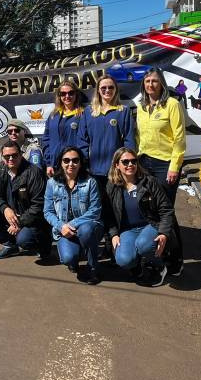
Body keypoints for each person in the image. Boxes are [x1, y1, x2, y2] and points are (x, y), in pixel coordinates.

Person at [136, 67, 185, 276]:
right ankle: (156, 254)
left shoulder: (172, 104)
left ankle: (176, 258)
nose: (151, 85)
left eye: (154, 81)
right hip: (144, 163)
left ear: (162, 83)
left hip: (165, 164)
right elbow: (139, 137)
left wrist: (174, 166)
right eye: (147, 81)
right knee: (149, 210)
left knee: (165, 211)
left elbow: (179, 138)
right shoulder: (141, 107)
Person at [101, 147, 174, 287]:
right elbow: (108, 215)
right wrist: (114, 235)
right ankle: (138, 266)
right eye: (125, 162)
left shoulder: (149, 182)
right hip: (127, 230)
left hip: (151, 225)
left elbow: (166, 209)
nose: (130, 165)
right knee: (123, 259)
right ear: (117, 165)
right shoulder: (112, 186)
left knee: (144, 245)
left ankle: (159, 266)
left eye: (133, 161)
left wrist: (164, 233)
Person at [43, 146, 103, 284]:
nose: (71, 164)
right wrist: (61, 226)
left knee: (86, 231)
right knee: (68, 258)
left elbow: (95, 210)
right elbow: (48, 211)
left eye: (75, 160)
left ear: (81, 163)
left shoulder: (90, 182)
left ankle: (93, 267)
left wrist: (71, 224)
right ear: (60, 162)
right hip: (63, 230)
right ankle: (75, 258)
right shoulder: (52, 183)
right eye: (66, 160)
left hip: (87, 226)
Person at [0, 140, 49, 259]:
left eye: (14, 155)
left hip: (33, 219)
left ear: (21, 155)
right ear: (2, 157)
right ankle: (10, 245)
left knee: (24, 240)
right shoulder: (0, 169)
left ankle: (42, 246)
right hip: (12, 213)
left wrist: (18, 222)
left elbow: (38, 206)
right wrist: (5, 209)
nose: (11, 159)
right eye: (7, 156)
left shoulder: (34, 172)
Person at [79, 75, 135, 194]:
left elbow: (129, 139)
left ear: (115, 90)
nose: (107, 90)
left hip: (117, 169)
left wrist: (127, 163)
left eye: (111, 87)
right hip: (94, 170)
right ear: (98, 90)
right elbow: (82, 140)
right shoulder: (89, 112)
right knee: (98, 203)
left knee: (116, 204)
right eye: (103, 88)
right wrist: (84, 164)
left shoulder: (123, 111)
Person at [42, 79, 85, 178]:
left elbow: (86, 142)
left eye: (71, 93)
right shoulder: (53, 115)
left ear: (76, 94)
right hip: (55, 166)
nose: (67, 96)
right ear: (59, 96)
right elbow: (46, 140)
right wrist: (49, 163)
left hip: (74, 165)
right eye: (63, 94)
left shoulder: (83, 115)